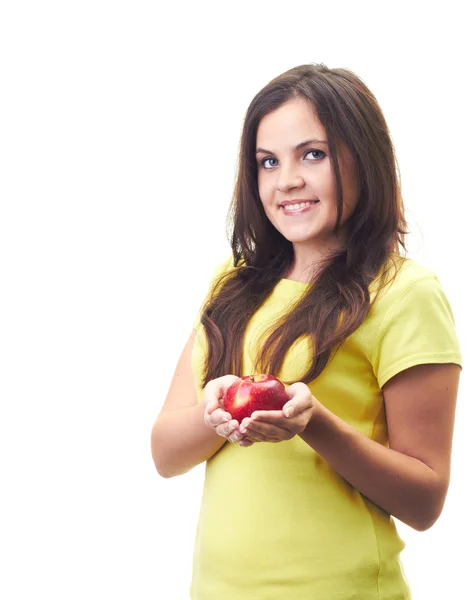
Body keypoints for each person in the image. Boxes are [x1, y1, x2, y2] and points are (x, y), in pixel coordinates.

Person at [150, 63, 462, 599]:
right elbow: (164, 454)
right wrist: (215, 414)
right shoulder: (233, 285)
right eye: (268, 162)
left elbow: (425, 502)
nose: (287, 179)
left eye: (312, 154)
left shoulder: (406, 293)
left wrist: (314, 423)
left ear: (363, 159)